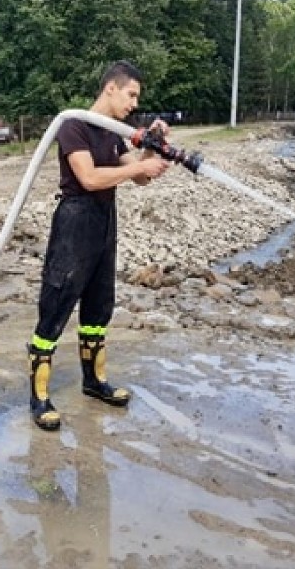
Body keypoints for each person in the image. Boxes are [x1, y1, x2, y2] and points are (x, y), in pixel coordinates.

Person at [27, 60, 171, 430]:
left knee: (99, 304)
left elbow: (138, 176)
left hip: (105, 221)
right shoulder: (73, 125)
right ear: (111, 88)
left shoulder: (110, 134)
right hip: (76, 219)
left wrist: (151, 149)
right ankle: (39, 396)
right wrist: (137, 169)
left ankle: (93, 381)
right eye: (131, 94)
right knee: (57, 303)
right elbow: (89, 177)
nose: (134, 104)